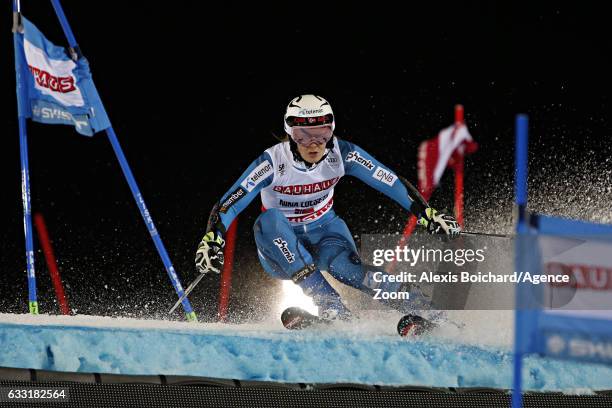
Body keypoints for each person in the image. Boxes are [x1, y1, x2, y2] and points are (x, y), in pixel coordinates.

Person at [195, 94, 460, 319]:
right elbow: (232, 200)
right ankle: (330, 306)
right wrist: (212, 238)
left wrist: (427, 214)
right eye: (302, 135)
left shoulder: (344, 154)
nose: (313, 143)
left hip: (326, 233)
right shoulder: (273, 161)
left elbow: (389, 181)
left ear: (331, 130)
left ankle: (424, 308)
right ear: (290, 134)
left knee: (348, 270)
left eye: (321, 133)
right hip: (280, 247)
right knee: (269, 221)